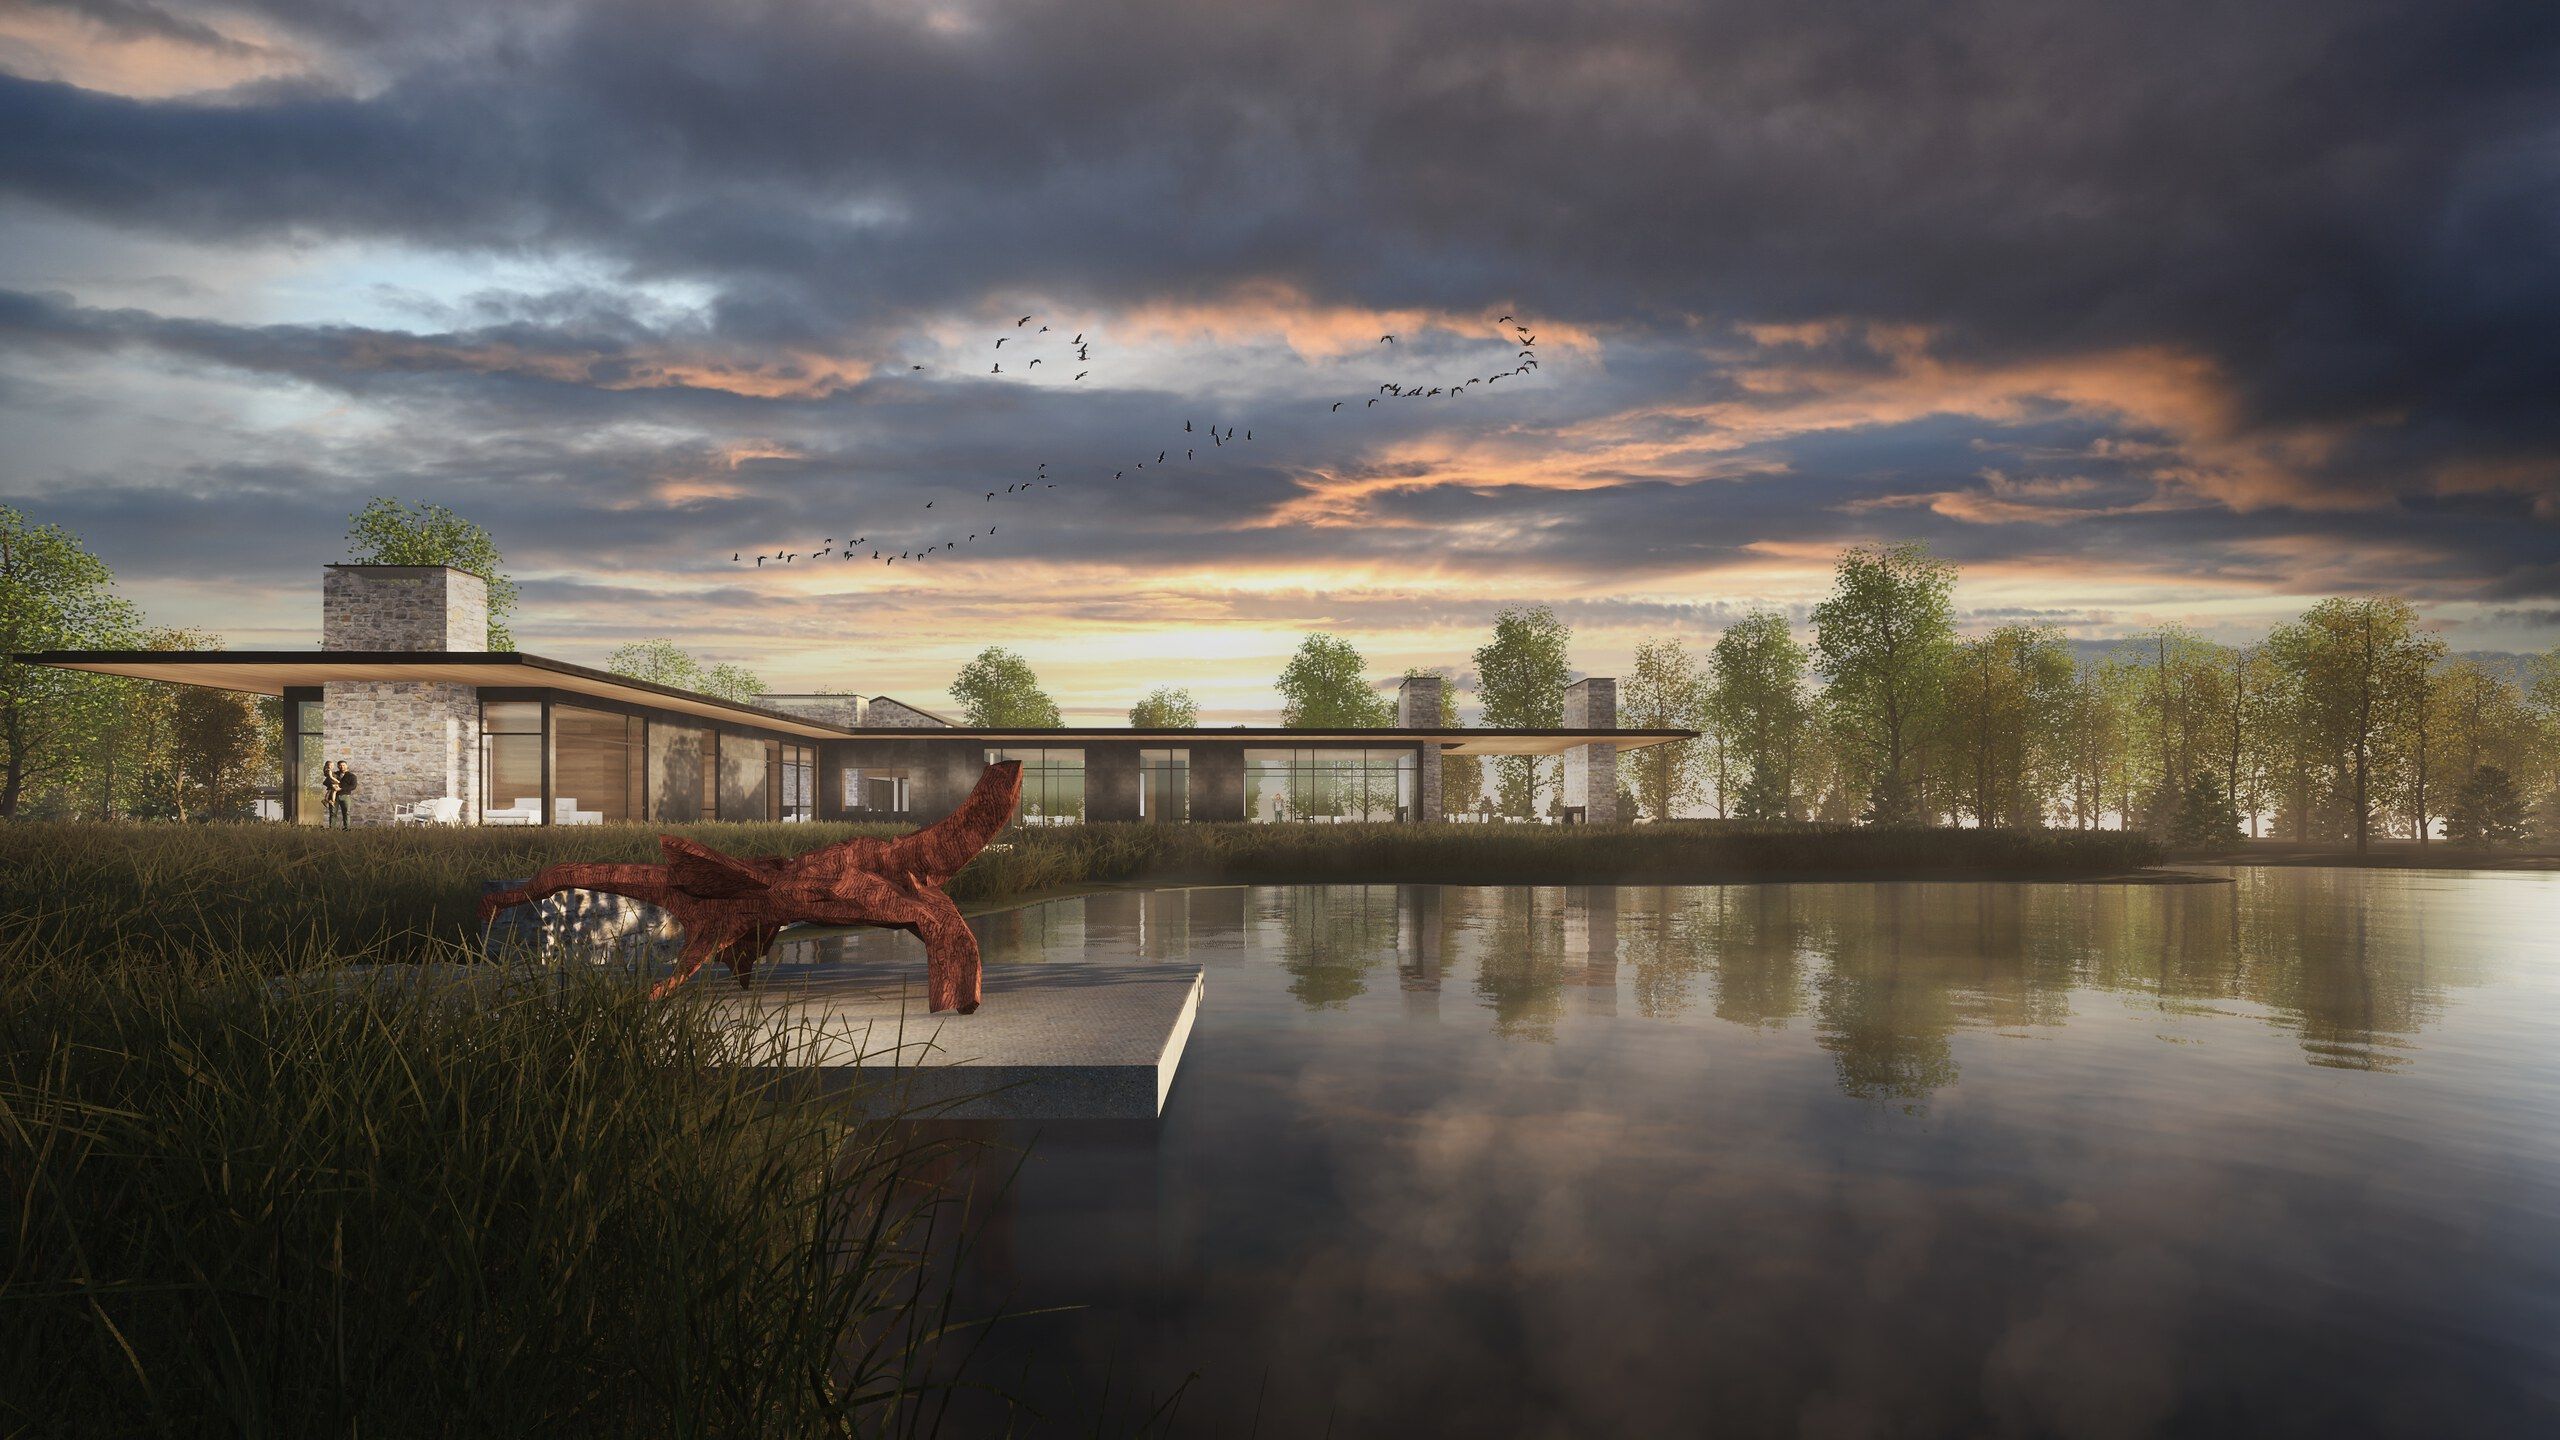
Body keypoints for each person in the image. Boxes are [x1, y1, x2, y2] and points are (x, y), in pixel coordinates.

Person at [326, 759, 357, 829]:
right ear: (338, 766)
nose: (342, 767)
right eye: (340, 765)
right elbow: (325, 782)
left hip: (345, 796)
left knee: (346, 813)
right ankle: (332, 829)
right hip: (334, 796)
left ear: (346, 766)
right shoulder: (334, 774)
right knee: (332, 813)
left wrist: (341, 788)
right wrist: (332, 786)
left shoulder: (352, 776)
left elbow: (353, 786)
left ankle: (347, 829)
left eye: (343, 765)